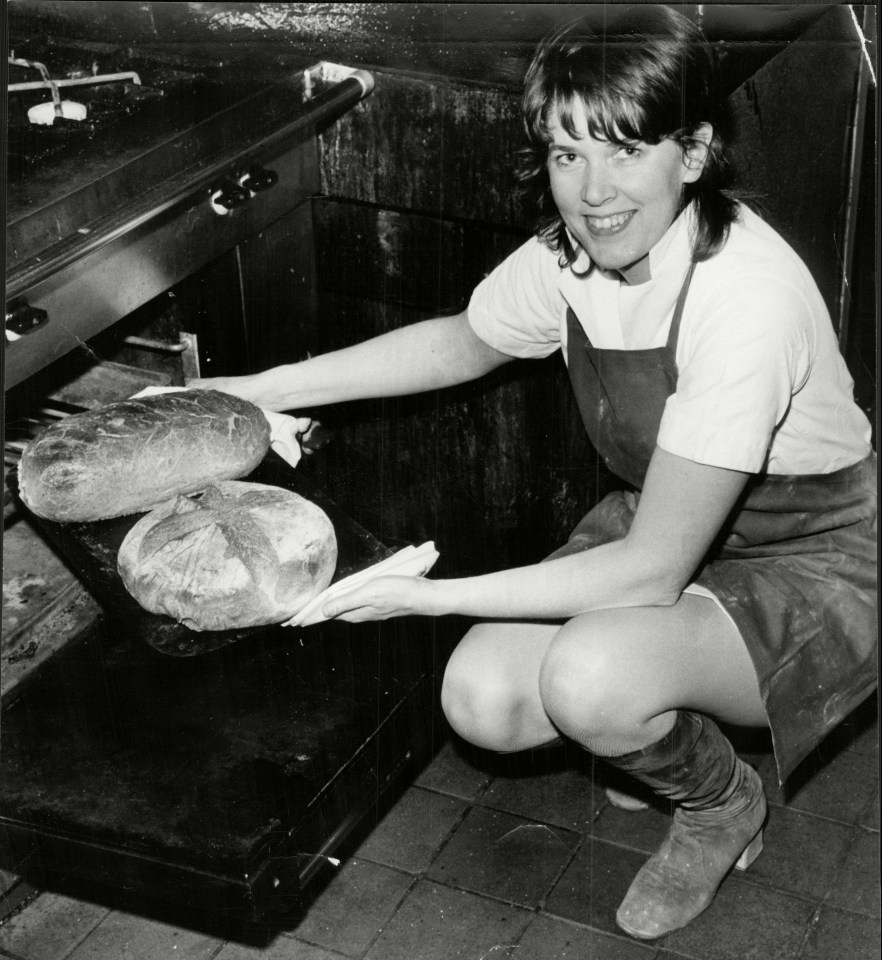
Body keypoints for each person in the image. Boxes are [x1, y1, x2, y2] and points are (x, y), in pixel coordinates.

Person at [191, 5, 877, 940]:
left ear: (693, 152)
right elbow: (458, 344)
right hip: (669, 522)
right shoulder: (576, 255)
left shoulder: (743, 299)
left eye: (625, 149)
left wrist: (422, 597)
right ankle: (659, 729)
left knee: (590, 681)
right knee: (483, 697)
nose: (593, 193)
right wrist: (249, 389)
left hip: (816, 556)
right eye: (566, 155)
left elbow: (648, 572)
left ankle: (719, 802)